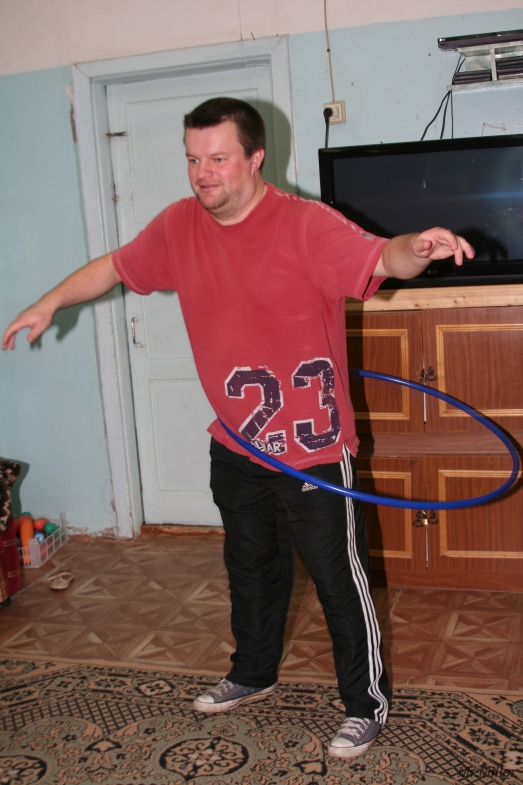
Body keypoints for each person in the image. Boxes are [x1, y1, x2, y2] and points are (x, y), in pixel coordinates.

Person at [2, 97, 474, 760]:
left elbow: (382, 258)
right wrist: (47, 301)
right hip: (236, 440)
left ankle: (364, 704)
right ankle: (252, 671)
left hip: (311, 449)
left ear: (255, 158)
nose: (204, 173)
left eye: (218, 158)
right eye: (193, 159)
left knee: (339, 579)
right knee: (250, 567)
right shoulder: (178, 226)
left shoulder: (305, 224)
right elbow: (115, 265)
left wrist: (417, 248)